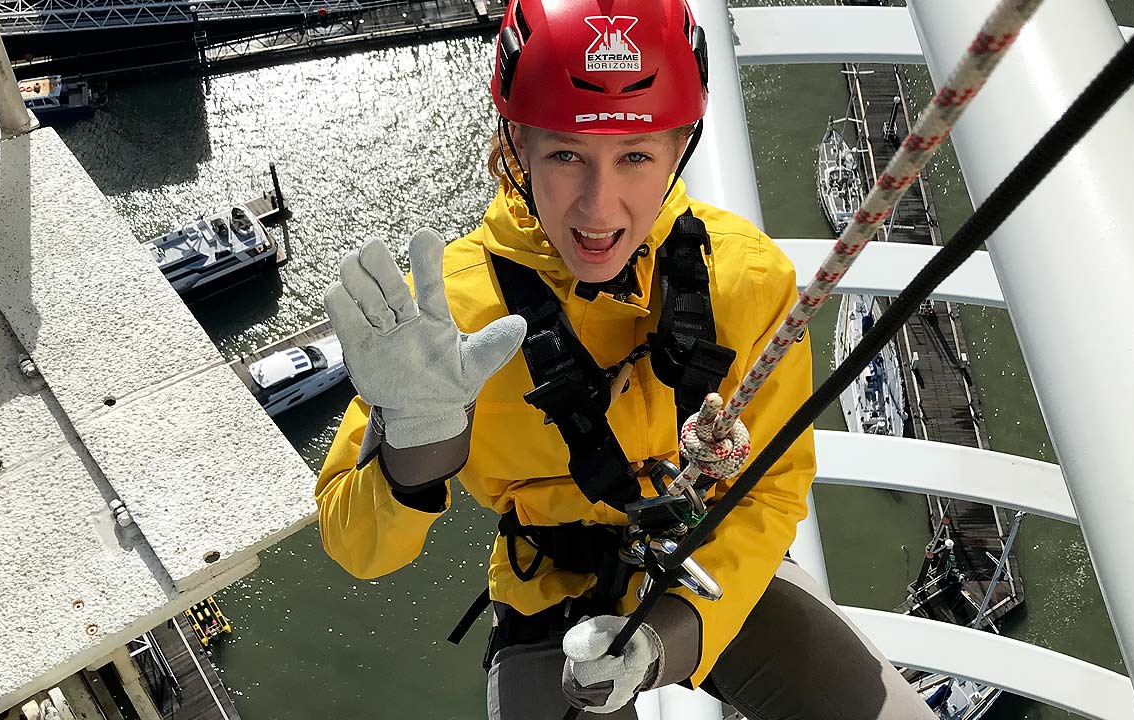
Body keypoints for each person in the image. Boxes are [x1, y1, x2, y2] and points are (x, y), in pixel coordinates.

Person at [315, 0, 937, 717]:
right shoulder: (451, 317)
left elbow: (769, 490)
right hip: (547, 584)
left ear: (680, 150)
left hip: (708, 555)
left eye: (635, 156)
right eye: (566, 155)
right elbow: (359, 547)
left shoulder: (745, 279)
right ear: (517, 147)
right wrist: (417, 449)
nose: (598, 209)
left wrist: (666, 638)